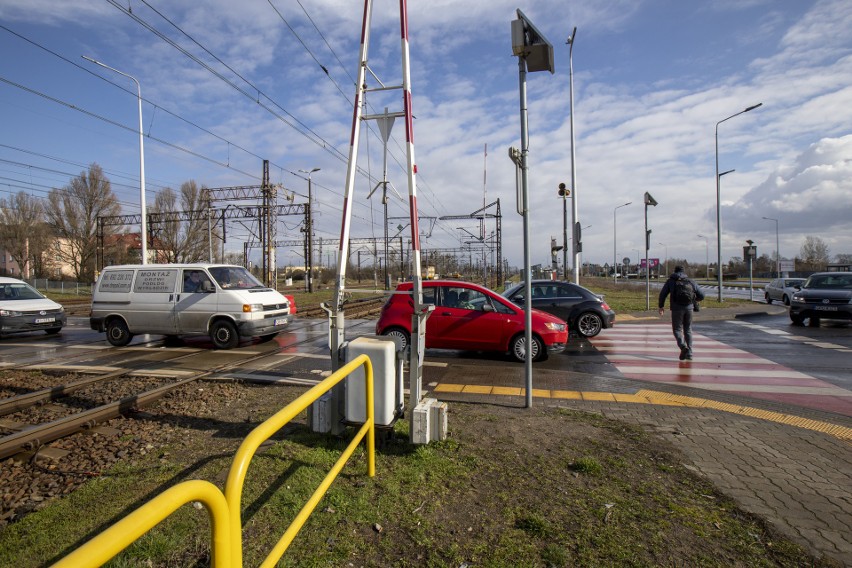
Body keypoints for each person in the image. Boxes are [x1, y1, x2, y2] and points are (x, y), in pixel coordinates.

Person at [658, 265, 704, 360]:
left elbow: (663, 294)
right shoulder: (691, 281)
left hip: (676, 309)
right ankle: (690, 353)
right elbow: (702, 295)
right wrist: (695, 300)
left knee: (677, 330)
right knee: (688, 330)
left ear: (674, 271)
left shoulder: (670, 281)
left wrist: (661, 306)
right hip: (689, 308)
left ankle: (683, 346)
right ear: (684, 272)